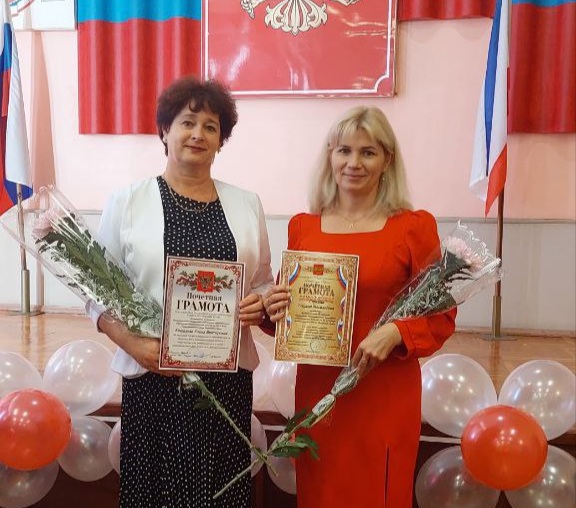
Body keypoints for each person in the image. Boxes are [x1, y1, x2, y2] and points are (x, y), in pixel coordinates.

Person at [90, 76, 274, 508]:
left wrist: (260, 301)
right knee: (155, 492)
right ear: (164, 130)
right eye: (187, 122)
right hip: (154, 375)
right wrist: (134, 345)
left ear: (221, 141)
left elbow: (263, 281)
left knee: (220, 490)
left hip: (226, 381)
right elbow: (96, 293)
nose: (198, 134)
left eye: (211, 127)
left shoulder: (247, 204)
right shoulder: (128, 201)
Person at [262, 106, 456, 507]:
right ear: (330, 156)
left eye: (368, 152)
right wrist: (271, 307)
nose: (354, 163)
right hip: (319, 394)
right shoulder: (303, 226)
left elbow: (442, 313)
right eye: (344, 150)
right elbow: (289, 312)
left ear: (387, 160)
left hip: (383, 392)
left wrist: (396, 332)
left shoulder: (413, 227)